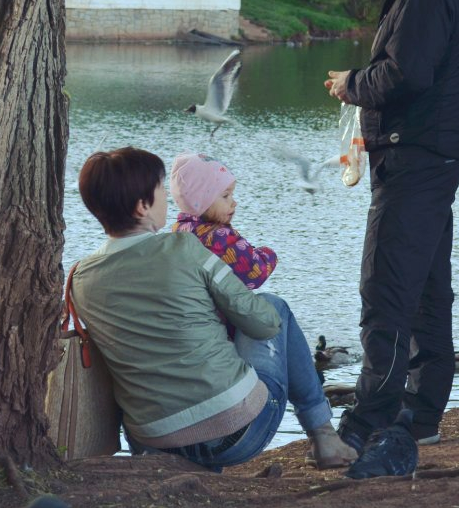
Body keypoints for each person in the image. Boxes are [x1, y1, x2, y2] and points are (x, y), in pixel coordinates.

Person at [72, 147, 356, 470]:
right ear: (142, 206)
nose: (168, 197)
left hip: (152, 441)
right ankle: (324, 436)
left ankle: (200, 470)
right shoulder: (184, 248)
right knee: (273, 306)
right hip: (237, 434)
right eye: (161, 189)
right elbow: (263, 324)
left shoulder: (80, 278)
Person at [323, 0, 459, 452]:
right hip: (434, 157)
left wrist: (352, 84)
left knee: (386, 290)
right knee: (426, 291)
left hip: (414, 159)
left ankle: (369, 422)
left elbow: (405, 73)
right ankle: (420, 416)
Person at [170, 152, 278, 296]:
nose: (234, 203)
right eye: (226, 196)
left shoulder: (179, 230)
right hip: (217, 309)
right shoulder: (219, 237)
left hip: (196, 304)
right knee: (274, 303)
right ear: (202, 200)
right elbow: (254, 274)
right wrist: (268, 254)